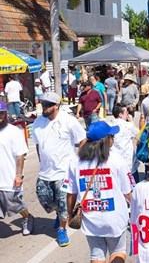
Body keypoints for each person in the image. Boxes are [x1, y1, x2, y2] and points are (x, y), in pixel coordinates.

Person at [64, 121, 134, 263]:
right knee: (118, 252)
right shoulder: (117, 160)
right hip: (115, 218)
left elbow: (70, 192)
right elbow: (129, 192)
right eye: (111, 136)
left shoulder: (75, 161)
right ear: (105, 140)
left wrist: (69, 214)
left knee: (96, 256)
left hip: (91, 219)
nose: (113, 138)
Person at [32, 92, 86, 247]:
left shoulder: (68, 121)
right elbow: (37, 143)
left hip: (64, 171)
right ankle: (58, 213)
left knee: (64, 203)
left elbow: (82, 139)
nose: (44, 107)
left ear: (57, 105)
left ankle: (62, 229)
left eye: (48, 104)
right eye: (43, 104)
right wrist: (41, 160)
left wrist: (77, 161)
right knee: (45, 200)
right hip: (45, 171)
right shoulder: (37, 122)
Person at [0, 100, 34, 236]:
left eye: (1, 113)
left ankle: (27, 217)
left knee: (15, 204)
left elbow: (20, 155)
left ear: (6, 114)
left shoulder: (13, 131)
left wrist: (18, 176)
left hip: (9, 177)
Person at [108, 103, 139, 172]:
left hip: (114, 160)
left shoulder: (109, 124)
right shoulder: (128, 125)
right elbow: (138, 134)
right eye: (126, 112)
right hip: (127, 160)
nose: (128, 114)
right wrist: (131, 121)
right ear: (120, 114)